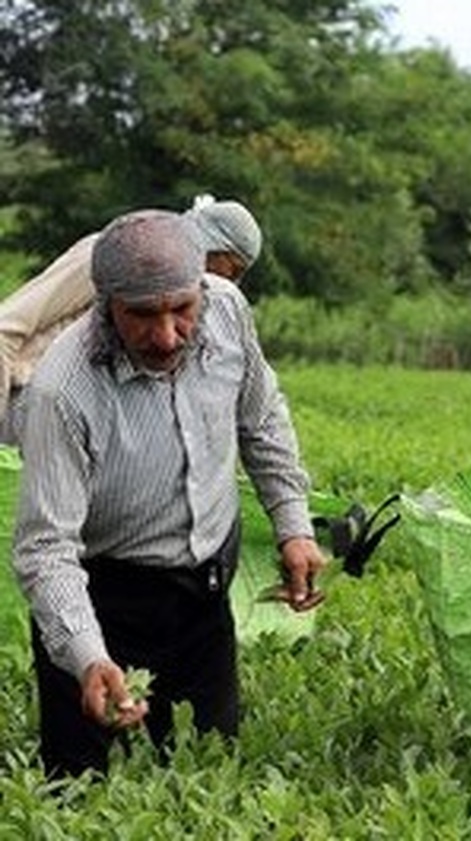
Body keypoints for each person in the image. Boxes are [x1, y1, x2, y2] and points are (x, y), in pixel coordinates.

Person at [11, 208, 324, 778]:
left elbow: (261, 419)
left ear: (202, 285)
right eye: (142, 316)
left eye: (183, 309)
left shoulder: (227, 309)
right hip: (105, 595)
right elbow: (45, 549)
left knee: (209, 769)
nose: (166, 335)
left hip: (204, 591)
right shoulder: (62, 391)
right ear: (105, 304)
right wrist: (87, 657)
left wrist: (293, 523)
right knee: (81, 783)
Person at [0, 194, 261, 440]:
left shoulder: (177, 309)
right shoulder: (110, 256)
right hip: (28, 410)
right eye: (233, 269)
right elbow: (6, 329)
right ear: (210, 248)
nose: (231, 283)